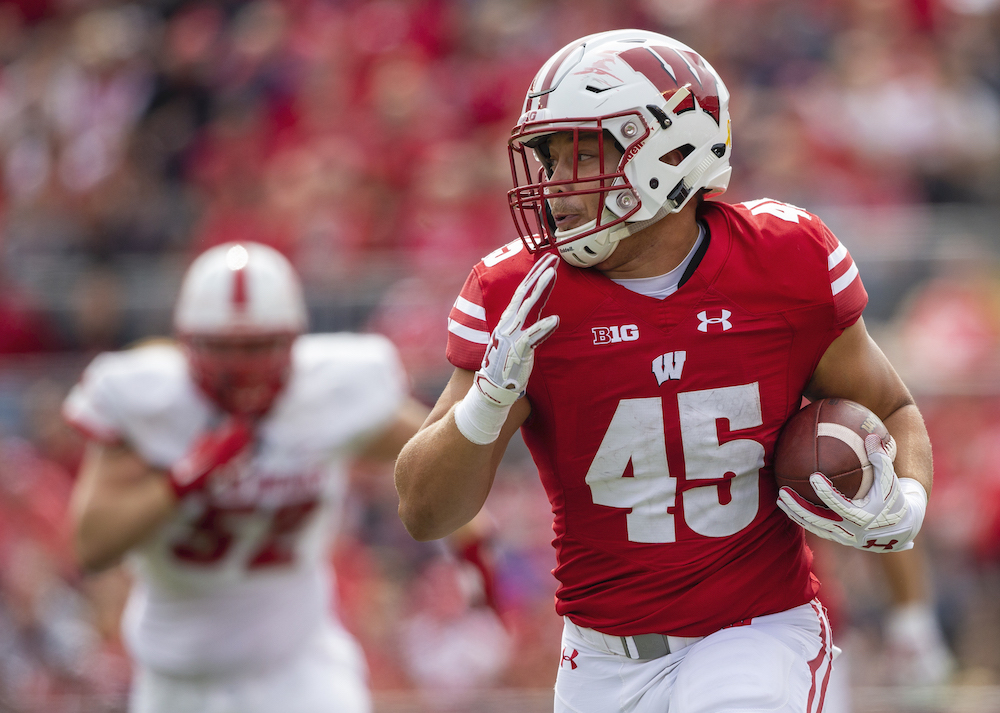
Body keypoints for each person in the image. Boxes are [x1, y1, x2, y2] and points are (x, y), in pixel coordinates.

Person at [393, 29, 933, 713]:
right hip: (599, 656)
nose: (555, 185)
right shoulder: (520, 293)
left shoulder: (785, 262)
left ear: (673, 152)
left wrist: (908, 498)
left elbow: (891, 407)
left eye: (580, 152)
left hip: (756, 631)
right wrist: (487, 400)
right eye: (548, 157)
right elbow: (425, 513)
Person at [63, 241, 428, 713]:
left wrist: (472, 534)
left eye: (258, 345)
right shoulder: (151, 404)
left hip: (299, 670)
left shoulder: (324, 391)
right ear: (187, 342)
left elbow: (433, 454)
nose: (241, 366)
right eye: (223, 347)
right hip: (179, 679)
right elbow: (90, 546)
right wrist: (180, 482)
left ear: (293, 340)